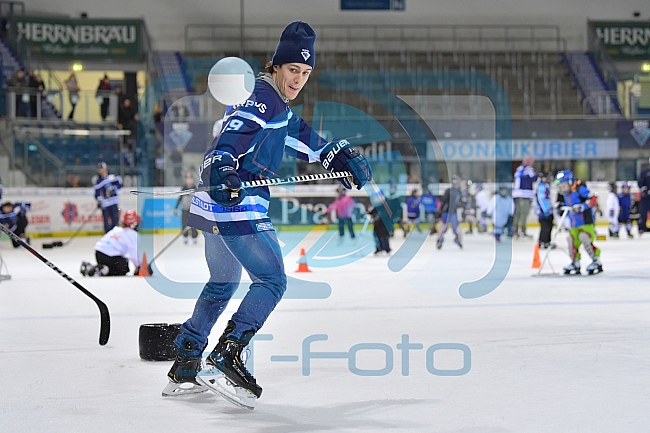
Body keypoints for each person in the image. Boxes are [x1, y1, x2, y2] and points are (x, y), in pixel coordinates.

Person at [163, 21, 372, 408]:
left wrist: (339, 153)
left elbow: (299, 134)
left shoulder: (269, 99)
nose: (299, 79)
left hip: (211, 205)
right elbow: (229, 142)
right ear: (276, 66)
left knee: (223, 282)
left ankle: (186, 361)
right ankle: (228, 354)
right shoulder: (264, 98)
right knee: (272, 280)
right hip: (236, 200)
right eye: (293, 70)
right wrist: (222, 169)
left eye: (306, 73)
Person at [554, 170, 602, 275]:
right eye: (560, 187)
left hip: (586, 222)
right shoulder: (565, 194)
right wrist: (559, 206)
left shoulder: (580, 189)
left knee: (584, 238)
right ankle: (575, 262)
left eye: (563, 186)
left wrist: (581, 207)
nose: (562, 188)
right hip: (574, 224)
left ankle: (596, 260)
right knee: (571, 240)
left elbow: (592, 199)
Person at [80, 210, 147, 276]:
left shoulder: (118, 228)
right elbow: (133, 253)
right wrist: (139, 266)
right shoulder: (132, 234)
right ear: (133, 223)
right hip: (109, 255)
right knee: (123, 268)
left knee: (122, 261)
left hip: (99, 253)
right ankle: (103, 269)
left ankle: (95, 267)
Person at [512, 156, 538, 238]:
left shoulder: (519, 169)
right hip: (525, 195)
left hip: (516, 194)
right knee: (524, 213)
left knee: (517, 213)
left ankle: (514, 230)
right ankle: (523, 230)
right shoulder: (528, 169)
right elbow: (534, 178)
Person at [94, 162, 123, 233]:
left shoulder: (112, 175)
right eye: (99, 169)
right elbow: (97, 193)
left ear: (105, 168)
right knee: (106, 223)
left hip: (114, 202)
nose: (100, 170)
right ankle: (108, 238)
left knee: (115, 221)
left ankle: (116, 237)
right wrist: (100, 200)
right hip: (105, 204)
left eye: (102, 168)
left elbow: (120, 183)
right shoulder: (98, 181)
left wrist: (114, 188)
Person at [437, 175, 463, 249]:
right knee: (443, 227)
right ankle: (440, 240)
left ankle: (458, 240)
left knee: (456, 228)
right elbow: (444, 201)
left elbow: (460, 203)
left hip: (453, 213)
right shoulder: (449, 191)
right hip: (447, 212)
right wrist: (441, 210)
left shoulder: (459, 192)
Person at [173, 172, 199, 244]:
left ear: (192, 180)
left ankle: (194, 237)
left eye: (190, 179)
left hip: (193, 210)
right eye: (187, 179)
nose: (189, 180)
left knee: (194, 224)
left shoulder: (195, 188)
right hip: (185, 209)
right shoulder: (184, 188)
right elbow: (180, 198)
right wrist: (176, 207)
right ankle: (185, 236)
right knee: (184, 223)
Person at [536, 172, 555, 248]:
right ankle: (543, 241)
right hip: (543, 211)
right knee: (545, 226)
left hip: (546, 210)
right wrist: (546, 210)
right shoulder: (542, 187)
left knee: (549, 225)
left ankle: (546, 241)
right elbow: (541, 199)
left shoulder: (545, 186)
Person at [638, 158, 650, 234]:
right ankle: (642, 227)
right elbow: (640, 182)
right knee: (643, 212)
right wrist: (645, 190)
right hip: (646, 197)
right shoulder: (645, 171)